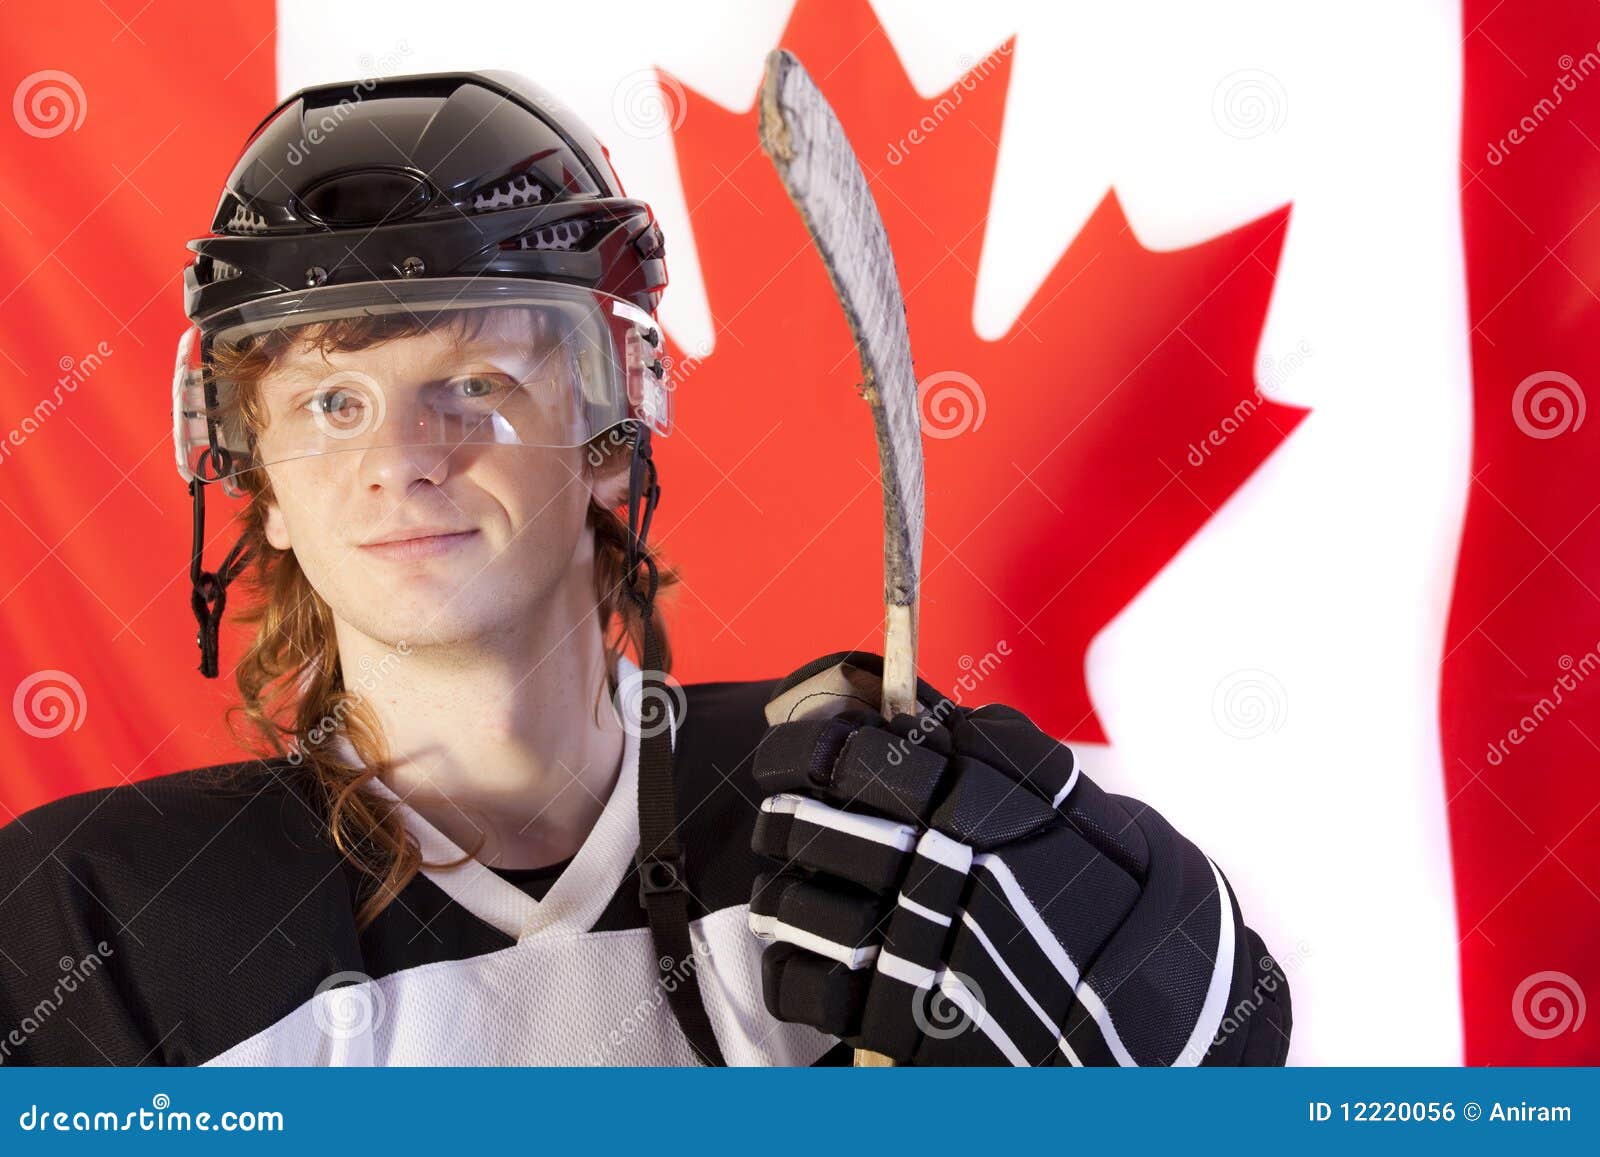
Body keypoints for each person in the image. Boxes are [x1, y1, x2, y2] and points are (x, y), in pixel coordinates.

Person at [0, 70, 1290, 1067]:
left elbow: (1243, 1062)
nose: (402, 458)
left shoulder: (865, 822)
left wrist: (1165, 998)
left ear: (615, 434)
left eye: (474, 383)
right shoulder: (95, 922)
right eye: (332, 403)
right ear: (256, 475)